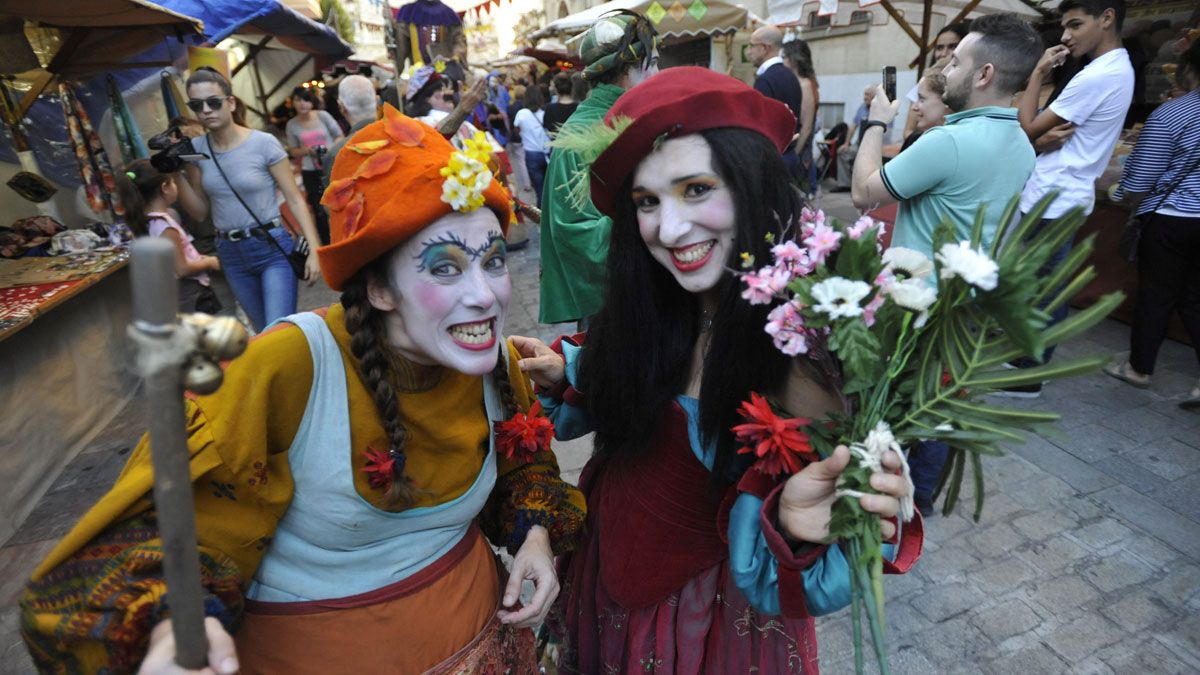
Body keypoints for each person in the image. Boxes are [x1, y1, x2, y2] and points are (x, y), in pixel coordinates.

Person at [20, 108, 586, 673]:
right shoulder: (286, 364)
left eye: (492, 261)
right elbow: (169, 536)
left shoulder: (493, 361)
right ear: (379, 290)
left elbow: (525, 469)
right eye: (445, 269)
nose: (486, 297)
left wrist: (535, 535)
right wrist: (173, 627)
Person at [512, 67, 921, 673]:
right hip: (603, 560)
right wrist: (574, 373)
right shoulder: (657, 300)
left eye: (697, 189)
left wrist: (804, 528)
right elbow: (639, 396)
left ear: (752, 184)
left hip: (703, 626)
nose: (669, 229)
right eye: (646, 202)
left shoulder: (807, 349)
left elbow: (821, 536)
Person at [850, 13, 1041, 511]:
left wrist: (876, 118)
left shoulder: (948, 141)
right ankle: (923, 496)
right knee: (941, 403)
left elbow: (862, 194)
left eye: (956, 61)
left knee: (890, 404)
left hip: (916, 308)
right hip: (970, 308)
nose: (945, 68)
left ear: (984, 74)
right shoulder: (1021, 142)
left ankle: (881, 499)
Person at [1010, 0, 1134, 395]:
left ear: (1107, 18)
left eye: (1075, 25)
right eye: (1064, 26)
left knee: (1043, 288)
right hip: (1061, 193)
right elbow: (1038, 132)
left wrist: (1037, 73)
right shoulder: (1111, 70)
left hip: (1056, 195)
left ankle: (1031, 371)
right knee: (1042, 283)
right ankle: (1029, 360)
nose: (1065, 36)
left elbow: (1027, 126)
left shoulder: (1099, 75)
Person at [174, 68, 322, 332]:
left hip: (270, 245)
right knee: (261, 332)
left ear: (230, 103)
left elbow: (295, 199)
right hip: (230, 253)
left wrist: (315, 251)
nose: (206, 110)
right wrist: (176, 171)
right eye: (197, 105)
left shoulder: (264, 143)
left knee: (277, 331)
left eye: (214, 102)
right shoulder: (196, 151)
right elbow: (199, 213)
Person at [538, 11, 659, 328]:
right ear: (628, 70)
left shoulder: (640, 120)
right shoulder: (580, 135)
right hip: (617, 307)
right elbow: (576, 231)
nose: (660, 72)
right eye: (654, 62)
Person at [1105, 41, 1200, 410]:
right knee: (1194, 298)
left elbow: (1138, 182)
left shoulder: (1172, 115)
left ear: (1189, 69)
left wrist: (1121, 195)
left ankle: (1138, 368)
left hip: (1172, 217)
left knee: (1157, 295)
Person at [116, 159, 221, 313]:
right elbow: (181, 269)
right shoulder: (164, 226)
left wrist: (198, 259)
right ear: (165, 188)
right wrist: (209, 262)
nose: (175, 185)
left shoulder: (146, 222)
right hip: (190, 294)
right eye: (172, 182)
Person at [285, 87, 344, 245]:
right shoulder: (291, 125)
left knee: (339, 202)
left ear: (311, 101)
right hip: (310, 171)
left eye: (305, 99)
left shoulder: (323, 116)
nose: (302, 104)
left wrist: (330, 152)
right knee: (319, 210)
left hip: (332, 167)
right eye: (298, 100)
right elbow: (293, 151)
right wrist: (307, 151)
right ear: (293, 103)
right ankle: (326, 243)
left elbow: (339, 136)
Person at [749, 25, 805, 179]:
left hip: (772, 161)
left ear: (764, 48)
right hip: (789, 157)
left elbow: (761, 127)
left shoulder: (766, 80)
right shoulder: (790, 76)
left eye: (752, 46)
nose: (749, 51)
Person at [901, 22, 972, 139]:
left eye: (952, 46)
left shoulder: (973, 85)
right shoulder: (923, 83)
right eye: (939, 48)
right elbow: (908, 131)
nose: (944, 53)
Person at [321, 74, 378, 187]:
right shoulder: (411, 133)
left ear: (341, 106)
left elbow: (333, 201)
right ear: (377, 100)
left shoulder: (337, 154)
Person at [782, 39, 820, 193]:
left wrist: (794, 156)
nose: (782, 61)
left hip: (800, 153)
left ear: (794, 60)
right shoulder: (799, 82)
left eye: (784, 57)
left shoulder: (804, 84)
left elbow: (806, 126)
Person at [833, 86, 882, 191]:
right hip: (859, 144)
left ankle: (865, 187)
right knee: (842, 152)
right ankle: (845, 184)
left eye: (867, 94)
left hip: (874, 146)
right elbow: (853, 126)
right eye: (864, 94)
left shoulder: (881, 108)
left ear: (875, 96)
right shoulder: (862, 107)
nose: (864, 97)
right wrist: (846, 143)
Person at [900, 57, 952, 151]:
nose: (913, 107)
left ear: (946, 100)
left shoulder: (948, 148)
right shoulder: (914, 139)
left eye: (921, 99)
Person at [512, 86, 551, 207]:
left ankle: (541, 215)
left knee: (539, 189)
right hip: (548, 152)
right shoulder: (546, 111)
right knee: (550, 187)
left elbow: (516, 131)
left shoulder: (522, 114)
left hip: (531, 154)